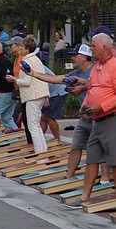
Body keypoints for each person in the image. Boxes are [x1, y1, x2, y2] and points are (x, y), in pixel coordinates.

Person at [28, 44, 102, 183]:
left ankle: (104, 178)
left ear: (85, 57)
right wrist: (35, 74)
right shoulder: (76, 73)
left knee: (99, 149)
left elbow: (99, 84)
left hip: (99, 116)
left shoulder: (96, 70)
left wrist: (83, 84)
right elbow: (57, 79)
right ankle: (69, 175)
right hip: (85, 116)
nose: (72, 57)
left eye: (75, 55)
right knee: (75, 146)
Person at [65, 34, 116, 208]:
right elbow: (91, 89)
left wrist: (101, 107)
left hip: (111, 118)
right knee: (92, 158)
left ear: (104, 47)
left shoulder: (114, 66)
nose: (91, 49)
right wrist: (85, 105)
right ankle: (85, 196)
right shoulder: (96, 67)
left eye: (93, 46)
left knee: (114, 161)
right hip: (96, 120)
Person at [6, 36, 49, 155]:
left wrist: (14, 79)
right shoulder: (36, 59)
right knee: (36, 125)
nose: (20, 49)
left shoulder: (27, 61)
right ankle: (42, 151)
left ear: (26, 49)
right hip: (39, 94)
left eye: (21, 47)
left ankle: (39, 153)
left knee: (32, 126)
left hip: (32, 96)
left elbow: (27, 82)